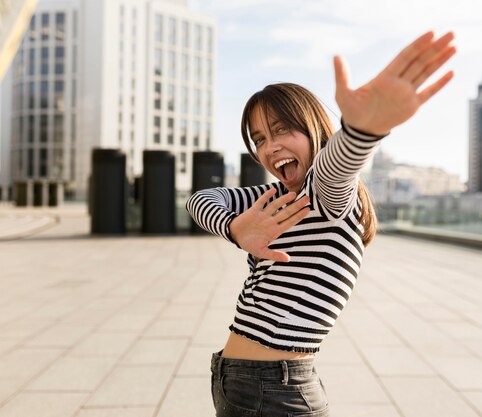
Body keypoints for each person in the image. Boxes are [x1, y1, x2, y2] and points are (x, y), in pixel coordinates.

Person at [187, 30, 456, 417]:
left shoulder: (324, 191)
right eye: (259, 138)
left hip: (273, 389)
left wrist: (362, 130)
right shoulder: (273, 198)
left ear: (314, 127)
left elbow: (338, 164)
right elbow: (200, 200)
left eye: (281, 130)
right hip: (242, 381)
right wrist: (235, 228)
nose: (270, 147)